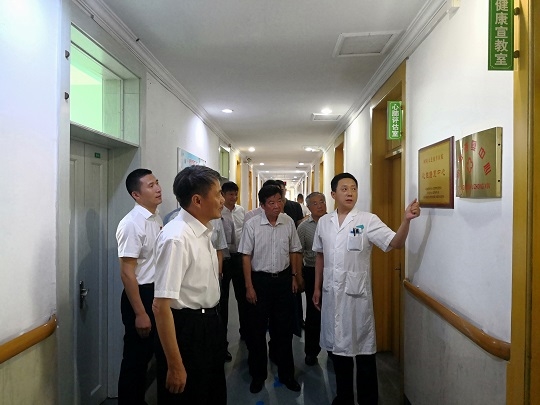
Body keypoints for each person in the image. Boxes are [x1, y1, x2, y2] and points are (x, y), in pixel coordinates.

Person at [312, 173, 420, 405]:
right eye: (344, 189)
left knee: (363, 353)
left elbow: (396, 243)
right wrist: (317, 287)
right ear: (333, 194)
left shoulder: (367, 220)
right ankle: (344, 398)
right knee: (339, 354)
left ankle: (368, 400)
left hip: (356, 297)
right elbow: (320, 255)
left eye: (353, 188)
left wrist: (406, 220)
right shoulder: (324, 222)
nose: (350, 193)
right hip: (332, 294)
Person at [152, 165, 226, 405]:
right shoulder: (177, 238)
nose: (222, 200)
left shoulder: (203, 232)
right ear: (197, 200)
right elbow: (161, 306)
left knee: (211, 392)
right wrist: (175, 365)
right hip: (187, 329)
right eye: (218, 194)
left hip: (209, 323)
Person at [238, 184, 303, 394]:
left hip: (283, 281)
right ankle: (258, 376)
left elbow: (294, 250)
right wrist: (249, 286)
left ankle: (286, 374)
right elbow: (246, 256)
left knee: (283, 330)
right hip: (260, 281)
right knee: (256, 331)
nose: (277, 206)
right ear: (262, 205)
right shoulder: (252, 224)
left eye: (279, 201)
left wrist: (294, 276)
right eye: (271, 202)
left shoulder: (288, 222)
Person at [115, 168, 163, 405]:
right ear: (136, 194)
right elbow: (127, 272)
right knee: (135, 359)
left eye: (157, 183)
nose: (158, 188)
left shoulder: (156, 218)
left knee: (150, 355)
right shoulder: (132, 224)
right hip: (140, 295)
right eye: (150, 186)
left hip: (156, 292)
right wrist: (140, 313)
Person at [296, 192, 327, 366]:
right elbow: (298, 252)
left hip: (332, 272)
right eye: (315, 203)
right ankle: (311, 351)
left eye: (322, 201)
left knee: (332, 311)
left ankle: (333, 349)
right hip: (311, 271)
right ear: (308, 207)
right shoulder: (303, 227)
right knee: (313, 312)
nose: (320, 205)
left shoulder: (334, 222)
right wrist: (298, 275)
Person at [220, 182, 248, 350]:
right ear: (223, 195)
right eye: (230, 194)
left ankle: (245, 331)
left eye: (235, 194)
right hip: (223, 259)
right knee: (223, 300)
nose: (234, 197)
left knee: (242, 296)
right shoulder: (218, 212)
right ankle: (222, 342)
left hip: (238, 257)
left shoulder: (241, 211)